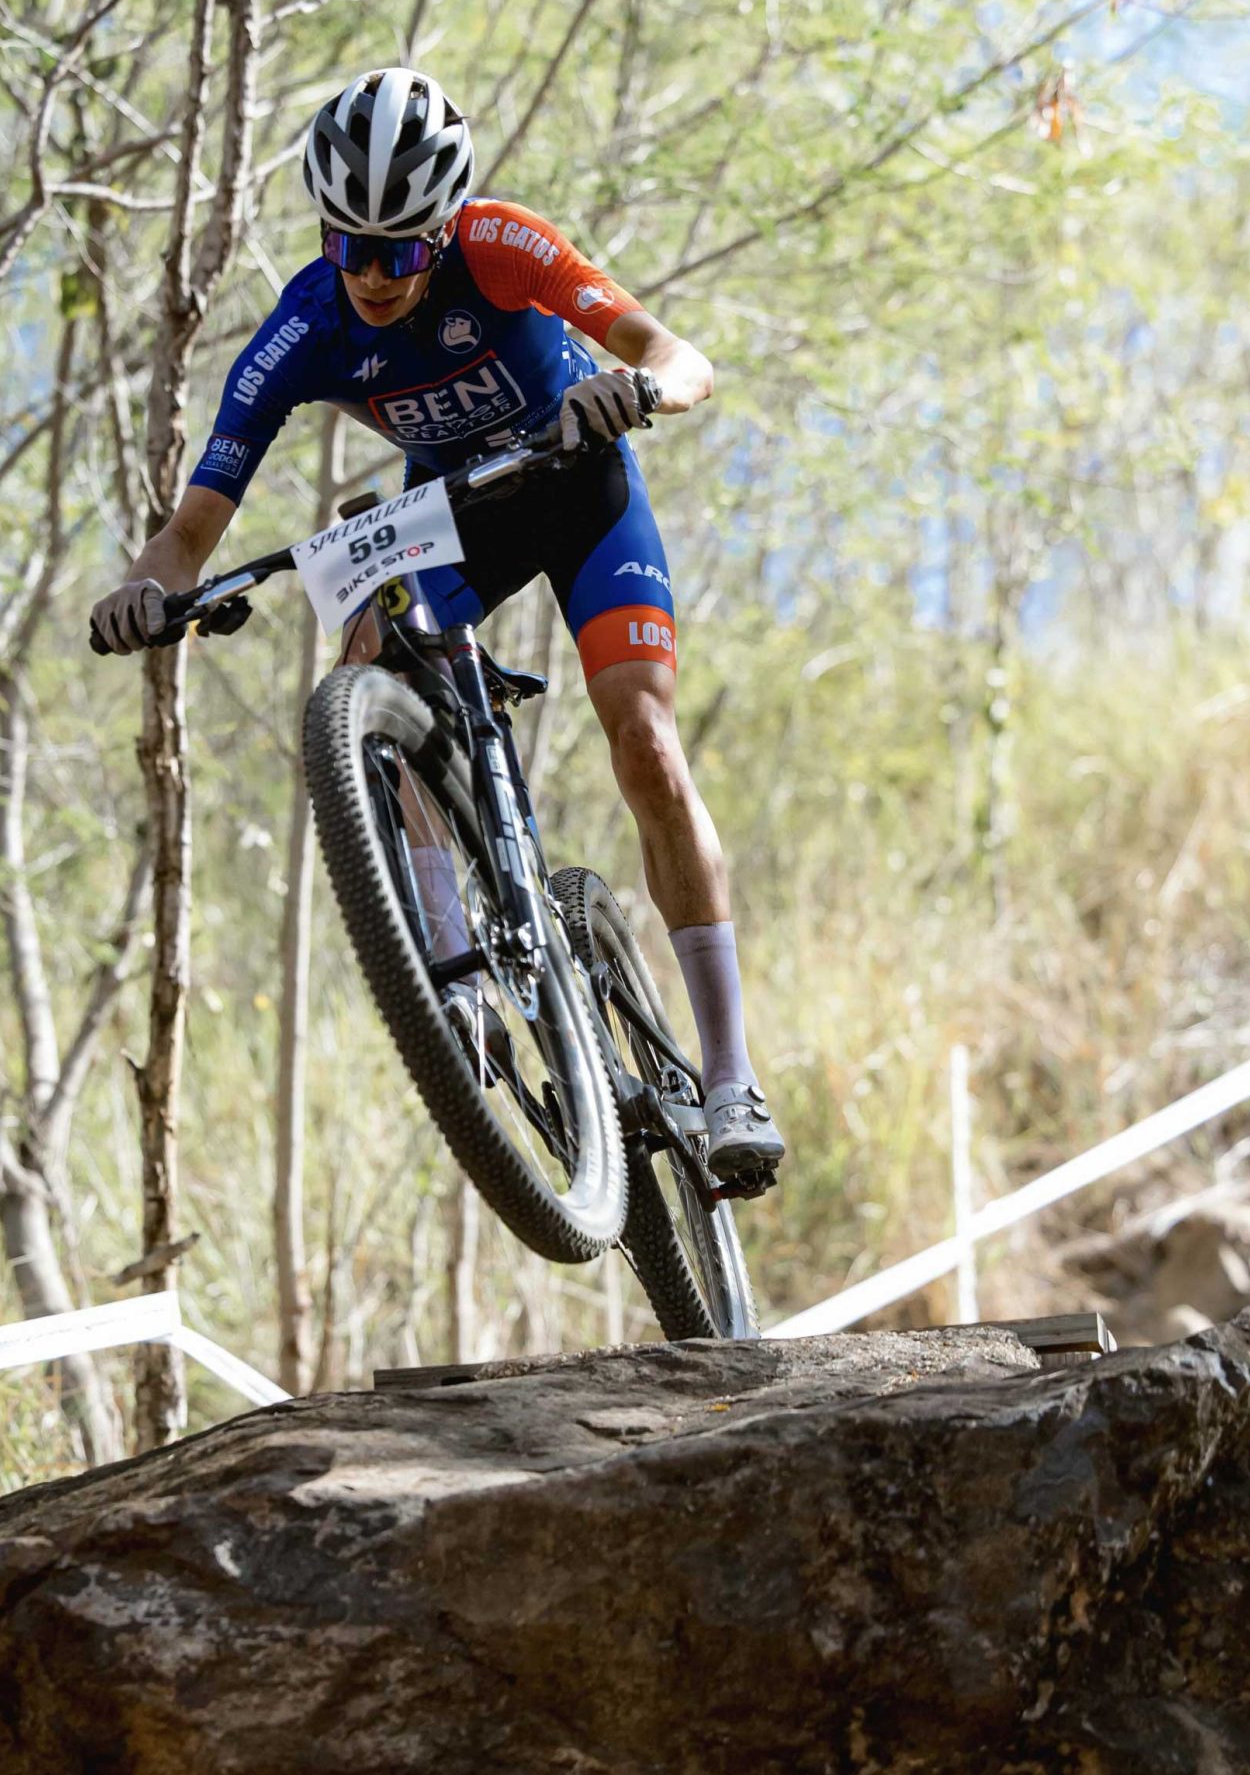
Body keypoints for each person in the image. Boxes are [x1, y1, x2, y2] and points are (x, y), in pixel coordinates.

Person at [90, 67, 784, 1189]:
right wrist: (142, 586)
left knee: (645, 742)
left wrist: (635, 388)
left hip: (578, 479)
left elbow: (679, 355)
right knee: (372, 645)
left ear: (445, 229)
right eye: (347, 244)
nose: (369, 274)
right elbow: (190, 532)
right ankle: (457, 973)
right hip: (456, 511)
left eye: (400, 252)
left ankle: (732, 1075)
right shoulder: (306, 322)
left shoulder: (506, 246)